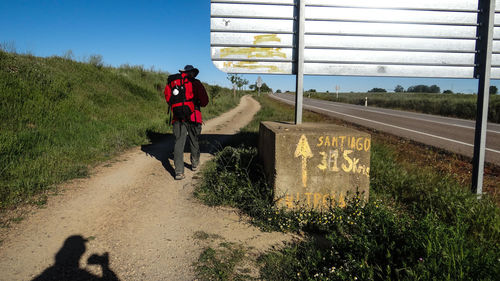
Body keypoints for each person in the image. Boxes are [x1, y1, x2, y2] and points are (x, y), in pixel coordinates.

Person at [164, 65, 209, 180]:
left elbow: (168, 98)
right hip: (194, 116)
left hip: (178, 117)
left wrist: (179, 106)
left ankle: (178, 172)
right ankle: (194, 163)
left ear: (183, 72)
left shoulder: (173, 82)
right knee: (194, 140)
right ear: (192, 73)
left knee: (179, 142)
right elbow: (204, 101)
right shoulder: (196, 83)